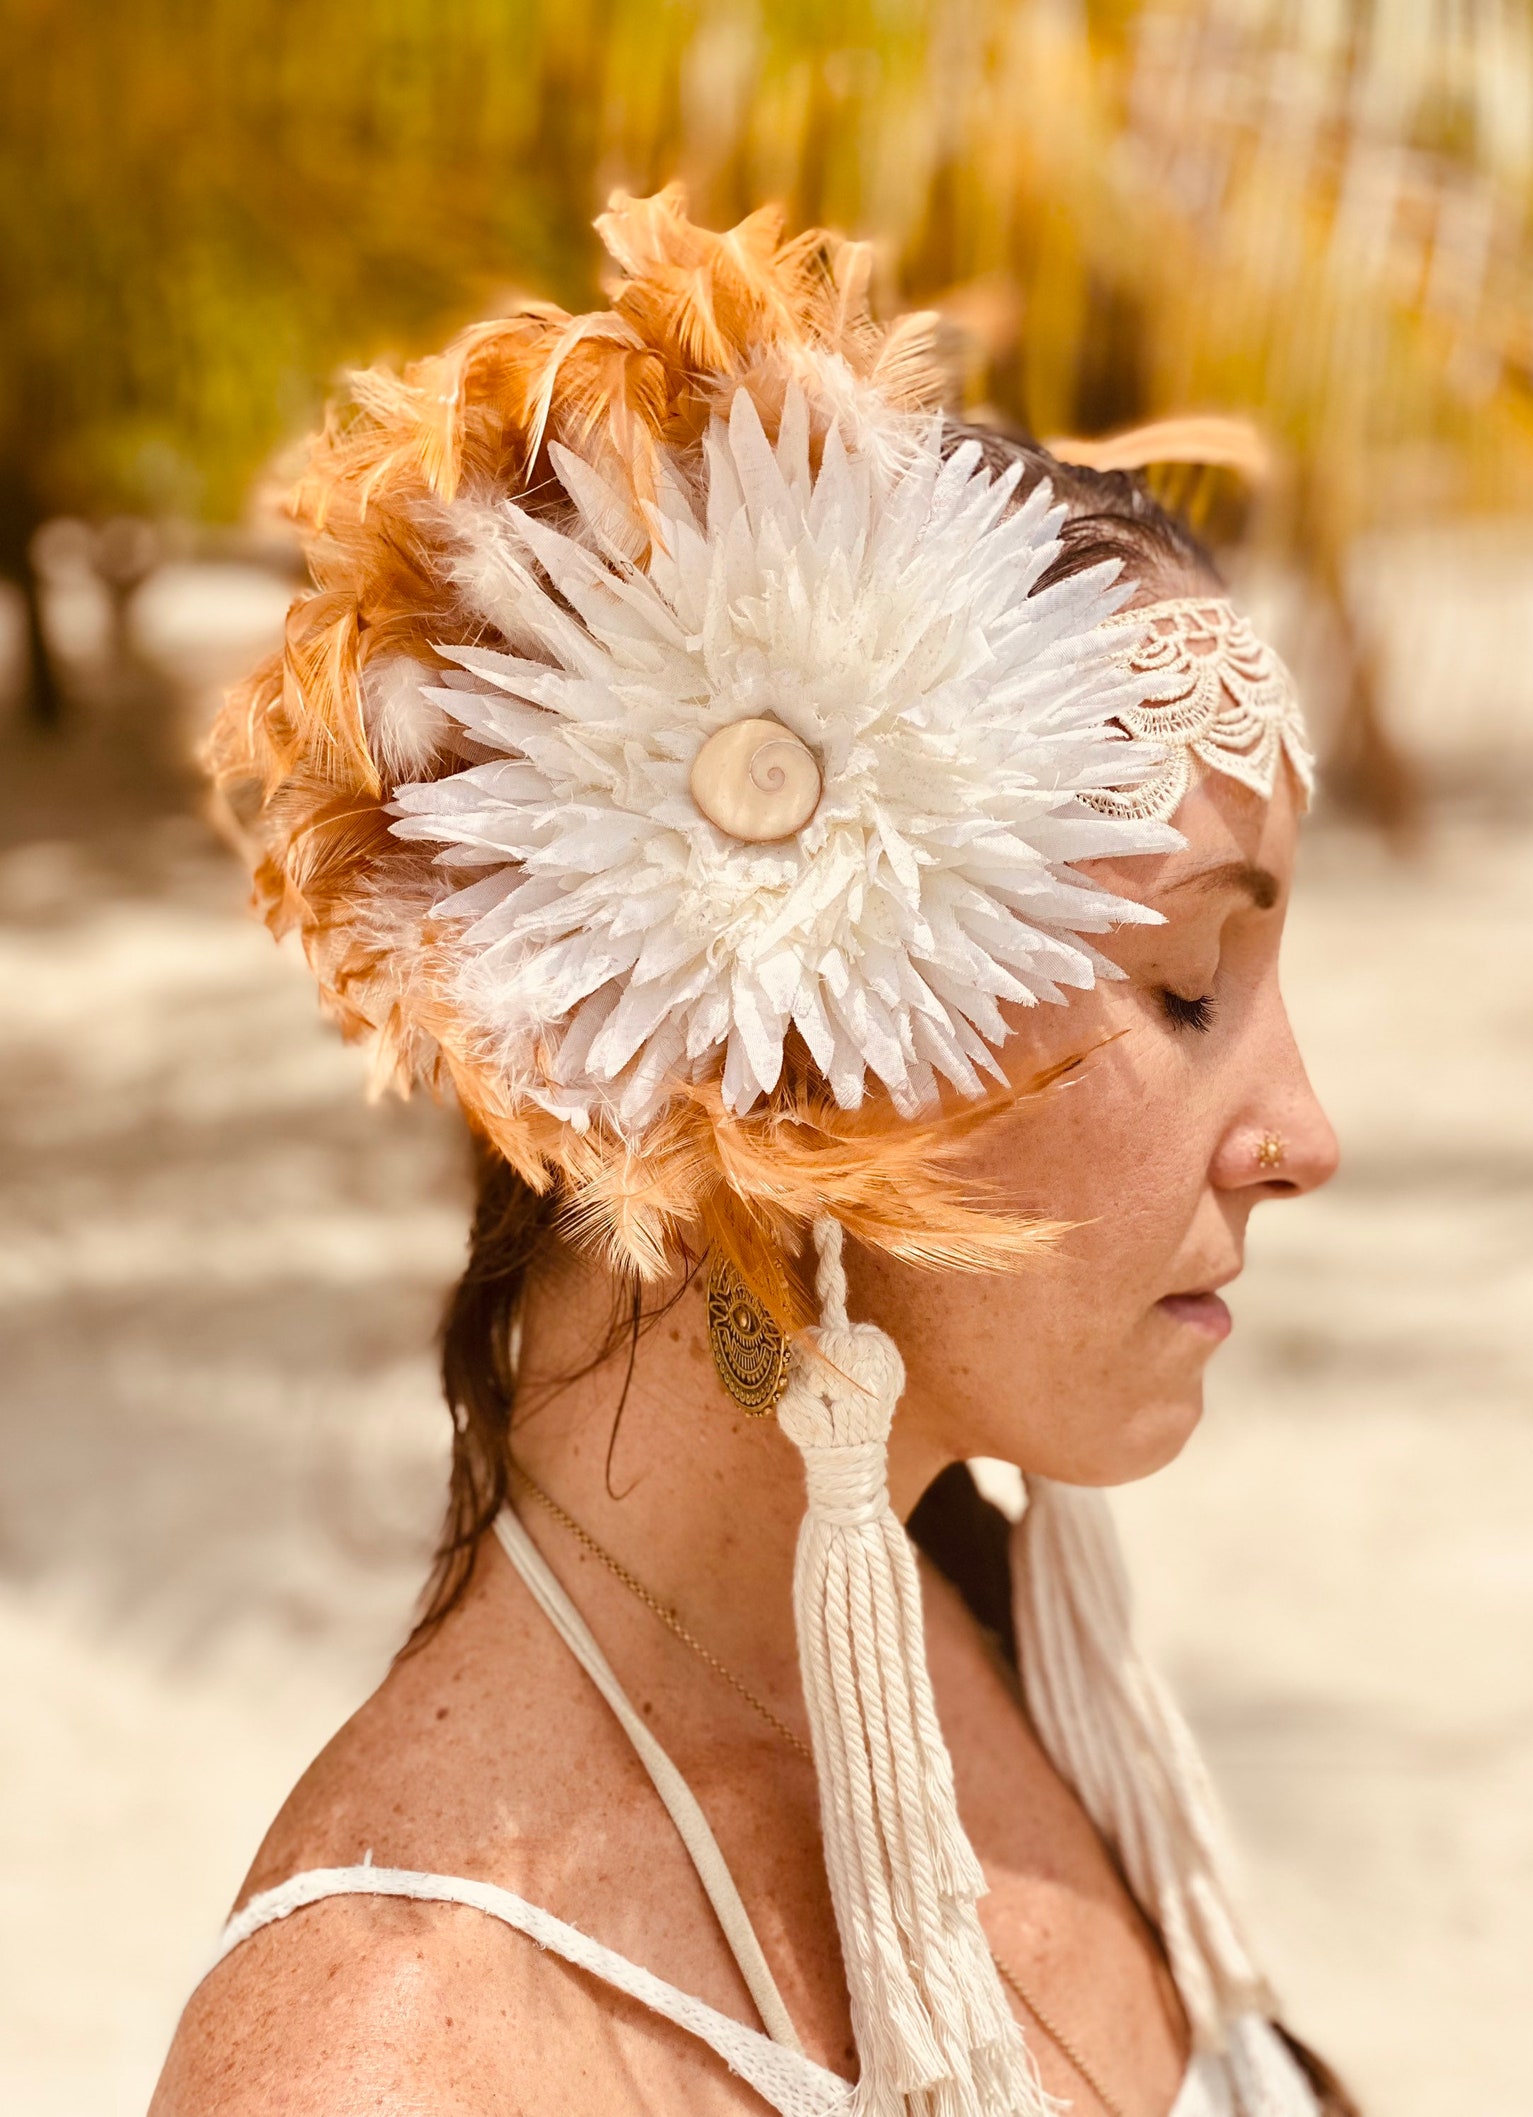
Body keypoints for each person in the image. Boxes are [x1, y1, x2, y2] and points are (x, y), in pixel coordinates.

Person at [152, 191, 1352, 2117]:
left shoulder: (1002, 1666)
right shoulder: (396, 2056)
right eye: (1193, 987)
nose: (1305, 1135)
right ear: (789, 1059)